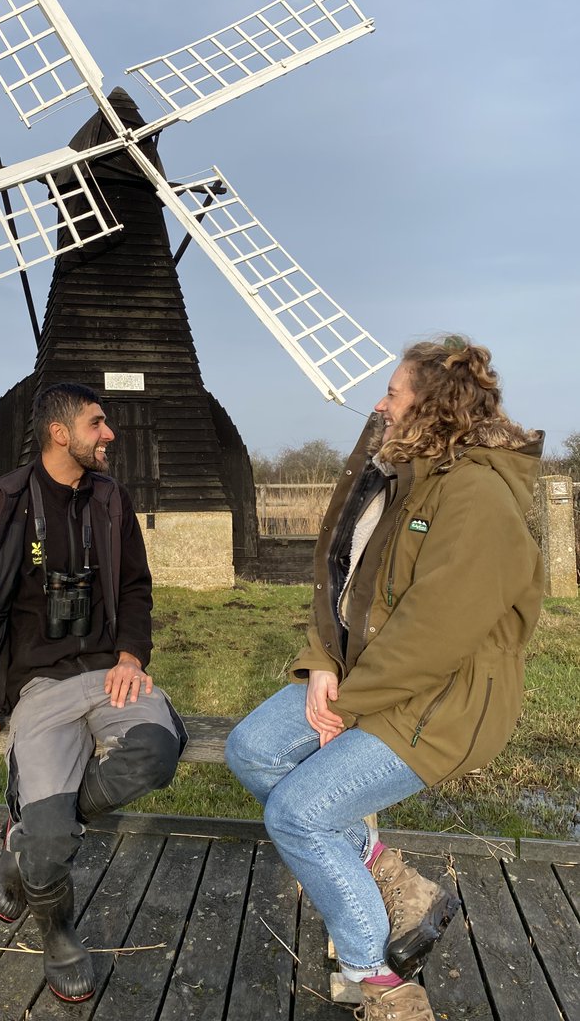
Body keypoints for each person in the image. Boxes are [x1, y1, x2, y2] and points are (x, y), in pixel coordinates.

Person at [225, 336, 544, 1021]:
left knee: (298, 815)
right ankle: (381, 866)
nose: (378, 403)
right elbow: (345, 584)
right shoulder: (402, 478)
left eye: (393, 393)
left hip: (443, 703)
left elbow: (434, 638)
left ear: (434, 407)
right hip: (369, 678)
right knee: (250, 749)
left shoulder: (477, 499)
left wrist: (352, 703)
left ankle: (379, 981)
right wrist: (320, 666)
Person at [0, 382, 184, 1003]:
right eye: (97, 423)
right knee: (49, 836)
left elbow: (135, 587)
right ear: (59, 432)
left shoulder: (111, 498)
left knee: (153, 753)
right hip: (40, 686)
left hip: (109, 672)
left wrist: (130, 655)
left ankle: (24, 848)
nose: (109, 434)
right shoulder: (3, 503)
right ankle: (58, 931)